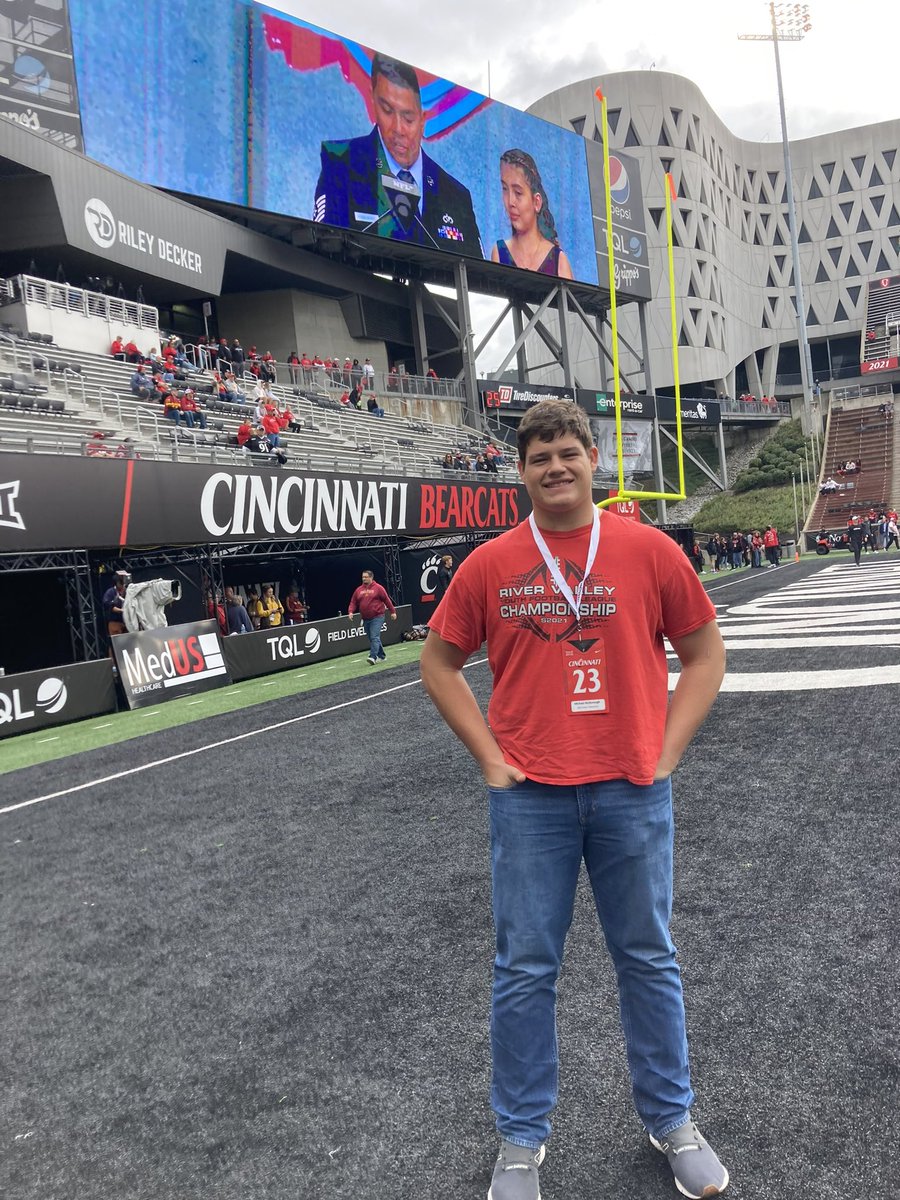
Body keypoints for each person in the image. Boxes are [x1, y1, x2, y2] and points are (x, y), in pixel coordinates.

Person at [419, 398, 728, 1200]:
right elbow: (438, 663)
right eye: (538, 457)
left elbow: (704, 655)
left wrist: (667, 752)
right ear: (520, 471)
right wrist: (489, 759)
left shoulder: (648, 549)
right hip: (530, 799)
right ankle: (522, 1140)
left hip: (630, 789)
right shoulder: (490, 564)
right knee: (524, 969)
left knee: (648, 959)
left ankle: (674, 1120)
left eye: (568, 452)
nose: (555, 467)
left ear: (595, 458)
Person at [314, 52, 482, 255]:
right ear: (373, 102)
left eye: (408, 118)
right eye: (387, 110)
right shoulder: (340, 161)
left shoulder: (456, 195)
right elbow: (324, 245)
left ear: (422, 120)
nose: (398, 129)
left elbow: (476, 274)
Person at [490, 149, 573, 278]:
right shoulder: (499, 253)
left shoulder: (558, 261)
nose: (510, 202)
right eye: (505, 189)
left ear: (536, 202)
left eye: (518, 193)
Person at [347, 569, 397, 665]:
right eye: (363, 577)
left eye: (366, 577)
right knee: (373, 638)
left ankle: (373, 657)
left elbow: (387, 600)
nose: (363, 579)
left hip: (377, 616)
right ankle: (382, 656)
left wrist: (392, 611)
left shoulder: (378, 588)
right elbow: (353, 602)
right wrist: (350, 612)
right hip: (365, 618)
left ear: (371, 577)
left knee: (374, 636)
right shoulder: (358, 590)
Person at [101, 570, 130, 651]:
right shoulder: (111, 592)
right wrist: (122, 610)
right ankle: (114, 661)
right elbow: (108, 605)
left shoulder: (128, 591)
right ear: (116, 583)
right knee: (115, 644)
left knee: (129, 642)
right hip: (115, 622)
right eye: (121, 583)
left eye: (124, 584)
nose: (123, 586)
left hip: (127, 622)